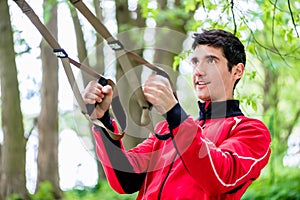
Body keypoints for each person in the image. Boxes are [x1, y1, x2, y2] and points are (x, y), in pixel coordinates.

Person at [82, 29, 271, 199]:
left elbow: (219, 177)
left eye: (211, 61)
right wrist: (103, 119)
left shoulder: (252, 131)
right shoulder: (166, 130)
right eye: (195, 62)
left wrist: (174, 114)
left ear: (237, 71)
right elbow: (126, 179)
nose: (199, 72)